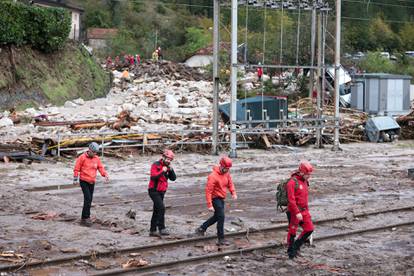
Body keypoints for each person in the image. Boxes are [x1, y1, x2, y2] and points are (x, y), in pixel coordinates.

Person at [195, 157, 237, 245]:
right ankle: (221, 238)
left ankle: (202, 228)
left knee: (217, 217)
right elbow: (208, 191)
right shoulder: (213, 176)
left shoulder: (226, 173)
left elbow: (230, 183)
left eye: (228, 169)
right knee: (221, 217)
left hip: (221, 198)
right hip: (215, 199)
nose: (226, 170)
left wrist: (233, 192)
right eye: (225, 168)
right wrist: (210, 205)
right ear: (221, 166)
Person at [73, 142, 109, 226]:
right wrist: (75, 179)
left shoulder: (96, 158)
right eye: (94, 152)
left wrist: (105, 175)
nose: (95, 154)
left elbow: (100, 167)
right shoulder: (82, 157)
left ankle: (84, 217)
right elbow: (76, 169)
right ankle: (86, 217)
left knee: (89, 200)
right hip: (84, 181)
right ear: (89, 150)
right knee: (88, 198)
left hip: (92, 181)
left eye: (96, 152)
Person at [286, 160, 314, 259]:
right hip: (294, 211)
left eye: (310, 174)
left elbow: (304, 198)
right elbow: (291, 200)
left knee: (309, 229)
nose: (309, 176)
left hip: (304, 210)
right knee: (292, 231)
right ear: (301, 172)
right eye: (307, 174)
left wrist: (306, 210)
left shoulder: (305, 181)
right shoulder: (292, 182)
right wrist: (297, 212)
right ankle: (291, 252)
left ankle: (296, 246)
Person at [148, 149, 177, 236]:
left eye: (170, 160)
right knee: (161, 208)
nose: (168, 161)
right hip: (153, 191)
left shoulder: (168, 167)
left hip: (162, 191)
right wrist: (162, 171)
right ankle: (162, 228)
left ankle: (152, 230)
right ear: (163, 157)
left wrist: (171, 170)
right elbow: (153, 177)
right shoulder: (156, 164)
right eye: (167, 159)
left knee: (156, 210)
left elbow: (173, 178)